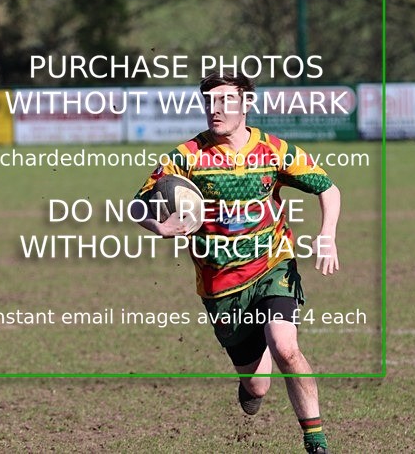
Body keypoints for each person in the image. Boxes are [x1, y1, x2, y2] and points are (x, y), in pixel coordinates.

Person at [133, 72, 340, 454]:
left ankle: (316, 440)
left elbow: (328, 188)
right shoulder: (187, 156)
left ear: (246, 105)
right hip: (220, 284)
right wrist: (160, 227)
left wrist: (326, 236)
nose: (216, 109)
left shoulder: (275, 150)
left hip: (272, 264)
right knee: (258, 385)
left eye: (226, 101)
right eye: (210, 101)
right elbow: (138, 204)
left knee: (285, 346)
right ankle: (250, 385)